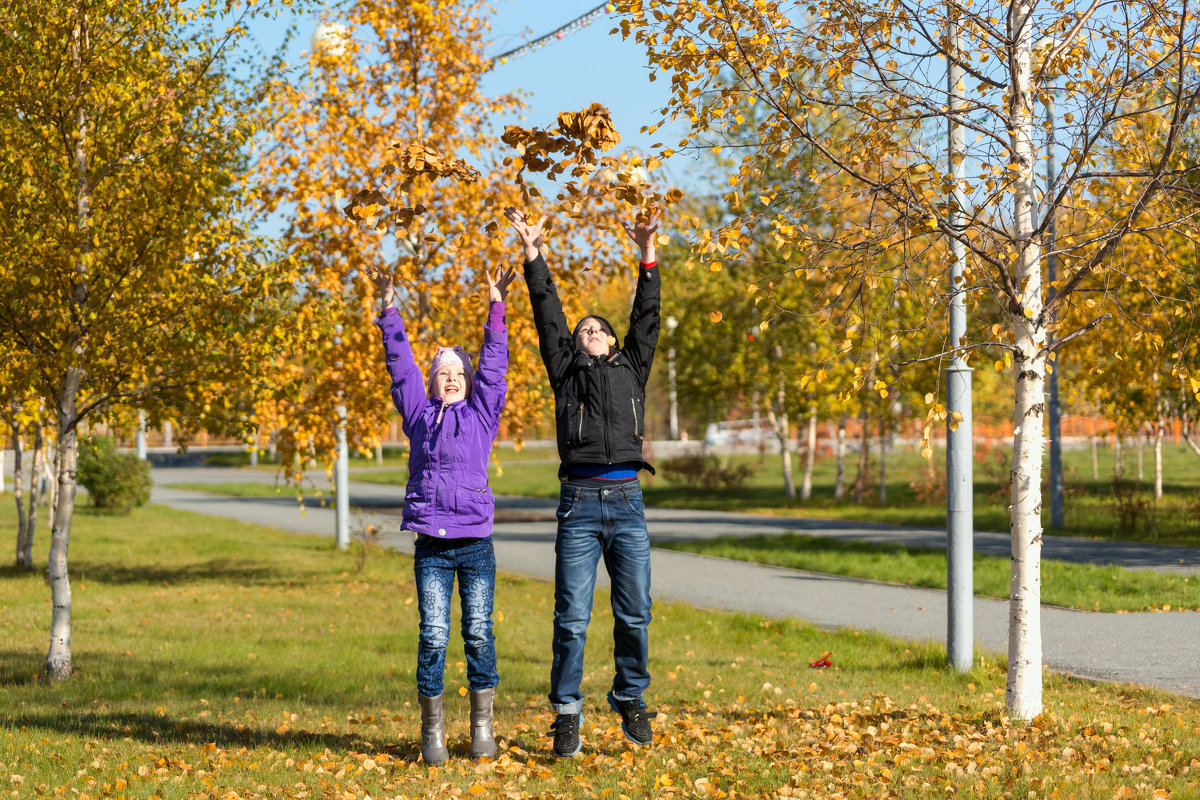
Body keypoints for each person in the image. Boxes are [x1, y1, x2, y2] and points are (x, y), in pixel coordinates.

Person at [504, 206, 662, 757]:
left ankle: (630, 698)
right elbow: (549, 314)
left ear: (614, 342)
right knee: (571, 618)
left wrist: (646, 255)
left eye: (599, 329)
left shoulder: (632, 367)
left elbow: (647, 315)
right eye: (583, 330)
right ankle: (566, 713)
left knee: (635, 612)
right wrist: (533, 254)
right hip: (578, 504)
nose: (590, 332)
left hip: (627, 502)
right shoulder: (565, 370)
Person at [372, 262, 516, 764]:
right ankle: (431, 731)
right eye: (443, 373)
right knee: (433, 634)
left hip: (475, 543)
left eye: (459, 373)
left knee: (478, 631)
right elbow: (401, 365)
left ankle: (481, 727)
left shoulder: (482, 413)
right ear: (431, 382)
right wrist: (389, 308)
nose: (451, 378)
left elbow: (495, 364)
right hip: (432, 547)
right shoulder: (418, 415)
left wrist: (496, 304)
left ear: (469, 381)